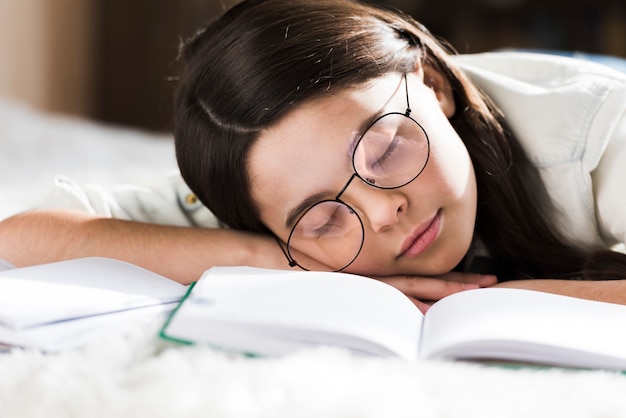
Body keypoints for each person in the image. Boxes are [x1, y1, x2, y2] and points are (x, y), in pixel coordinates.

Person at [1, 0, 626, 313]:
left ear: (432, 85)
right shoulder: (271, 196)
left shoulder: (594, 133)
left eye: (382, 151)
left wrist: (471, 301)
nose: (382, 215)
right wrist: (267, 259)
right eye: (324, 220)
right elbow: (21, 241)